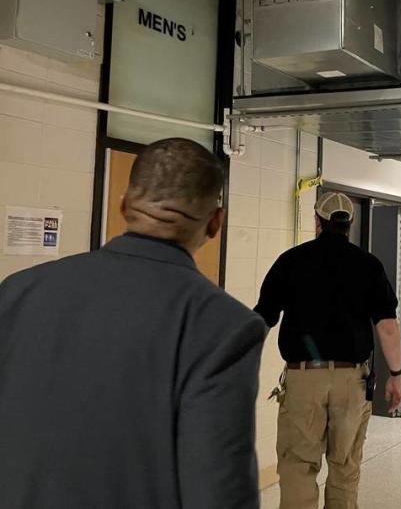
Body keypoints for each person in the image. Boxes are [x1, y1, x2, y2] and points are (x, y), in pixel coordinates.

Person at [0, 138, 266, 509]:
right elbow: (218, 487)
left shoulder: (18, 292)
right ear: (215, 223)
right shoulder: (222, 325)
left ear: (124, 204)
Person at [255, 191, 401, 509]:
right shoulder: (368, 265)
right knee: (345, 466)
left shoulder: (291, 261)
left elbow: (263, 318)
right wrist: (397, 375)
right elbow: (387, 326)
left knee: (298, 467)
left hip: (303, 379)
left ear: (317, 221)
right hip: (351, 382)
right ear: (350, 223)